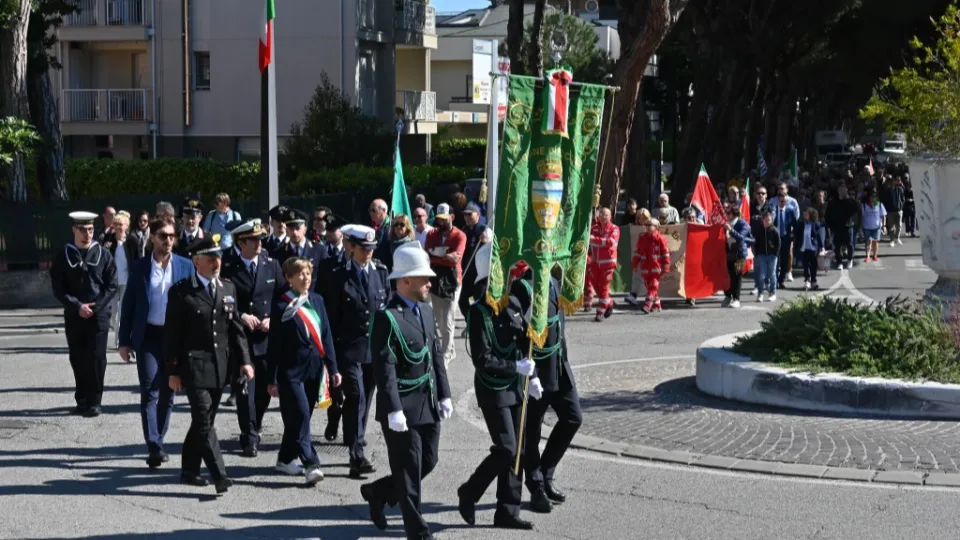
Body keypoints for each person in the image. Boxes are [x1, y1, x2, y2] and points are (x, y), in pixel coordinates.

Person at [360, 245, 453, 540]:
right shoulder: (387, 318)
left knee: (429, 461)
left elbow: (435, 354)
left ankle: (378, 492)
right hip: (402, 406)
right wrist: (393, 409)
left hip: (427, 400)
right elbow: (384, 368)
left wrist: (445, 393)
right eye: (423, 278)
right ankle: (418, 531)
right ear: (404, 282)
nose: (429, 283)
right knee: (409, 469)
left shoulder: (425, 309)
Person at [165, 234, 254, 495]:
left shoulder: (227, 288)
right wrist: (172, 371)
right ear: (196, 262)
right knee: (204, 420)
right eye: (211, 258)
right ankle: (220, 474)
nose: (217, 262)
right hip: (193, 366)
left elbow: (236, 329)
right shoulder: (182, 291)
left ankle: (189, 470)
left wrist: (245, 361)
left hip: (220, 366)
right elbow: (172, 335)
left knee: (204, 420)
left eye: (219, 257)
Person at [457, 243, 537, 531]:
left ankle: (507, 509)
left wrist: (533, 375)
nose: (507, 281)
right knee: (506, 448)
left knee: (520, 450)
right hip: (492, 388)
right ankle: (469, 492)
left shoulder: (513, 305)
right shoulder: (478, 313)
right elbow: (483, 358)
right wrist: (514, 367)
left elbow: (523, 340)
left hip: (515, 386)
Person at [118, 218, 194, 467]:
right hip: (149, 336)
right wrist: (124, 341)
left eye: (172, 236)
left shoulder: (185, 266)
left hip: (176, 337)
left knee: (169, 390)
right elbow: (128, 305)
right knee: (150, 389)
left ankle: (159, 438)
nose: (168, 240)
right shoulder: (140, 267)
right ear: (152, 237)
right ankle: (154, 445)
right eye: (163, 235)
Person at [511, 263, 582, 513]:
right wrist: (529, 375)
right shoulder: (522, 287)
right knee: (531, 431)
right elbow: (516, 332)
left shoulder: (554, 282)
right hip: (537, 370)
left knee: (573, 418)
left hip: (559, 365)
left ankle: (546, 472)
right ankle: (536, 486)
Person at [267, 257, 341, 485]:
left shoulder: (317, 301)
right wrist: (271, 378)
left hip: (314, 369)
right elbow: (274, 345)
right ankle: (311, 464)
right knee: (299, 416)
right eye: (299, 274)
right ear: (289, 278)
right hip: (291, 371)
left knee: (302, 416)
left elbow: (326, 335)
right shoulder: (281, 305)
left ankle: (285, 458)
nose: (305, 278)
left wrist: (333, 367)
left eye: (308, 273)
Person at [323, 224, 388, 478]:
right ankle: (356, 454)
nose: (368, 253)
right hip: (348, 349)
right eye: (363, 248)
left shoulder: (381, 273)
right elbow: (330, 318)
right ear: (351, 247)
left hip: (373, 349)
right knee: (356, 396)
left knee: (365, 400)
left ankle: (354, 442)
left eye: (371, 248)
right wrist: (331, 358)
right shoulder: (337, 275)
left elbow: (386, 312)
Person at [220, 218, 285, 458]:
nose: (259, 244)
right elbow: (220, 299)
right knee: (245, 386)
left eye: (261, 239)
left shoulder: (271, 263)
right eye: (254, 240)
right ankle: (249, 436)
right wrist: (240, 315)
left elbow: (282, 296)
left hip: (265, 338)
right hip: (239, 337)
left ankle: (254, 425)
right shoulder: (227, 264)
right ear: (241, 241)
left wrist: (272, 318)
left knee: (264, 390)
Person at [50, 211, 118, 418]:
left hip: (99, 315)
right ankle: (82, 399)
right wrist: (77, 305)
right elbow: (58, 288)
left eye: (90, 230)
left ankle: (95, 401)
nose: (87, 234)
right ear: (74, 230)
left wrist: (96, 306)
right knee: (78, 357)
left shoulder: (103, 254)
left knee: (97, 358)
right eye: (83, 230)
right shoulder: (64, 255)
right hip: (75, 314)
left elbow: (111, 285)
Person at [585, 207, 620, 322]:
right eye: (602, 214)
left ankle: (599, 312)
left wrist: (594, 240)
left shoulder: (614, 229)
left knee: (604, 288)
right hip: (595, 263)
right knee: (597, 287)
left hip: (608, 263)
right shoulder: (593, 229)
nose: (604, 217)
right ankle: (609, 302)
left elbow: (610, 242)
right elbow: (586, 241)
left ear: (610, 216)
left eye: (606, 215)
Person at [632, 218, 671, 314]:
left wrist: (666, 266)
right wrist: (634, 264)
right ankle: (657, 305)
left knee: (653, 287)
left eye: (650, 225)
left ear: (656, 227)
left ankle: (647, 305)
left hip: (656, 268)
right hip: (645, 268)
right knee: (650, 287)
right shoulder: (642, 238)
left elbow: (665, 254)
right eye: (647, 225)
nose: (648, 227)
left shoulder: (660, 239)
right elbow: (637, 252)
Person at [723, 206, 754, 309]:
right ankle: (729, 296)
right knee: (729, 277)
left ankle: (737, 299)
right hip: (730, 254)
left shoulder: (742, 224)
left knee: (737, 277)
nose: (726, 215)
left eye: (728, 213)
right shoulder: (726, 224)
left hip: (740, 254)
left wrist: (731, 230)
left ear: (734, 214)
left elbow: (741, 238)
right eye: (726, 213)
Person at [751, 211, 781, 302]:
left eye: (769, 220)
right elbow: (755, 243)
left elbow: (778, 242)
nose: (767, 222)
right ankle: (760, 293)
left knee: (772, 274)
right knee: (761, 275)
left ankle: (772, 293)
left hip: (772, 256)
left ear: (771, 220)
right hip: (761, 256)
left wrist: (776, 253)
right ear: (762, 220)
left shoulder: (774, 230)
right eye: (765, 220)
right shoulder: (759, 230)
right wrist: (757, 253)